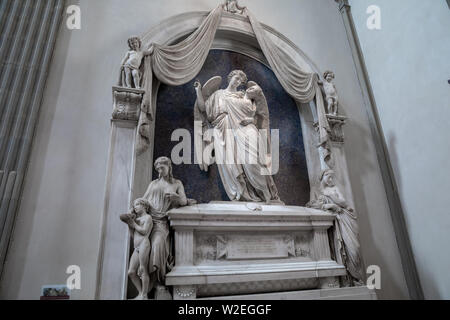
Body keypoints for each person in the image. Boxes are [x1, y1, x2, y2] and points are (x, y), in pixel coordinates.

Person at [194, 70, 281, 204]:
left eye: (241, 80)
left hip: (243, 130)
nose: (238, 81)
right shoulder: (218, 95)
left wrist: (250, 120)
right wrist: (198, 91)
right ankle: (243, 195)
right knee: (231, 166)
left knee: (252, 161)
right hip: (222, 130)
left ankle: (266, 193)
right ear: (230, 78)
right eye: (236, 78)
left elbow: (256, 117)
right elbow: (202, 108)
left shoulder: (243, 96)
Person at [307, 169, 364, 285]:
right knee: (339, 249)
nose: (331, 179)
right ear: (322, 176)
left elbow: (343, 203)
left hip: (344, 218)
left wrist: (331, 196)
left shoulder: (334, 189)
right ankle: (347, 279)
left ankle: (356, 278)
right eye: (329, 176)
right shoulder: (315, 190)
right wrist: (330, 205)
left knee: (355, 248)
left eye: (333, 177)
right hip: (331, 224)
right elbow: (311, 205)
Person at [142, 157, 188, 290]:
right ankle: (149, 287)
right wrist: (134, 208)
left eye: (162, 168)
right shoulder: (153, 184)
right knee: (145, 253)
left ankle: (158, 283)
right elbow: (144, 200)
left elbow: (184, 201)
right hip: (150, 222)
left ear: (169, 167)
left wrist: (177, 198)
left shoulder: (176, 183)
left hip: (162, 224)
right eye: (157, 169)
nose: (160, 171)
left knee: (158, 246)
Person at [121, 198, 153, 300]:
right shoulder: (136, 219)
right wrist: (130, 225)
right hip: (136, 246)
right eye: (134, 205)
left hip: (144, 244)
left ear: (144, 206)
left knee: (143, 269)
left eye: (137, 204)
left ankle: (144, 295)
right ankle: (140, 293)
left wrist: (134, 224)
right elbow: (132, 236)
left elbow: (144, 231)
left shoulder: (148, 218)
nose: (135, 207)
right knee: (131, 272)